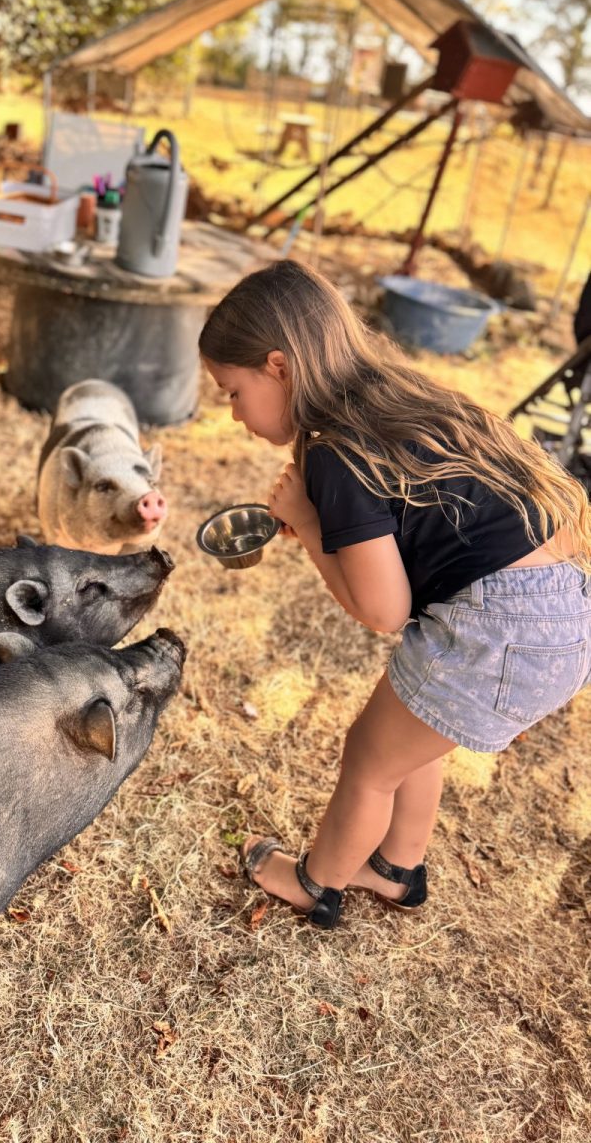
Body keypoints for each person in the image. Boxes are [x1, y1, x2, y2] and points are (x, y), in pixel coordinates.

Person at [199, 260, 591, 929]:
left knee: (369, 761)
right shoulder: (389, 393)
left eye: (231, 391)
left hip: (495, 627)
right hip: (561, 608)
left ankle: (316, 883)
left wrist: (318, 522)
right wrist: (326, 527)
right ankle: (396, 868)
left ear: (279, 367)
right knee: (413, 732)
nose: (231, 413)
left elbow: (383, 612)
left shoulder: (332, 452)